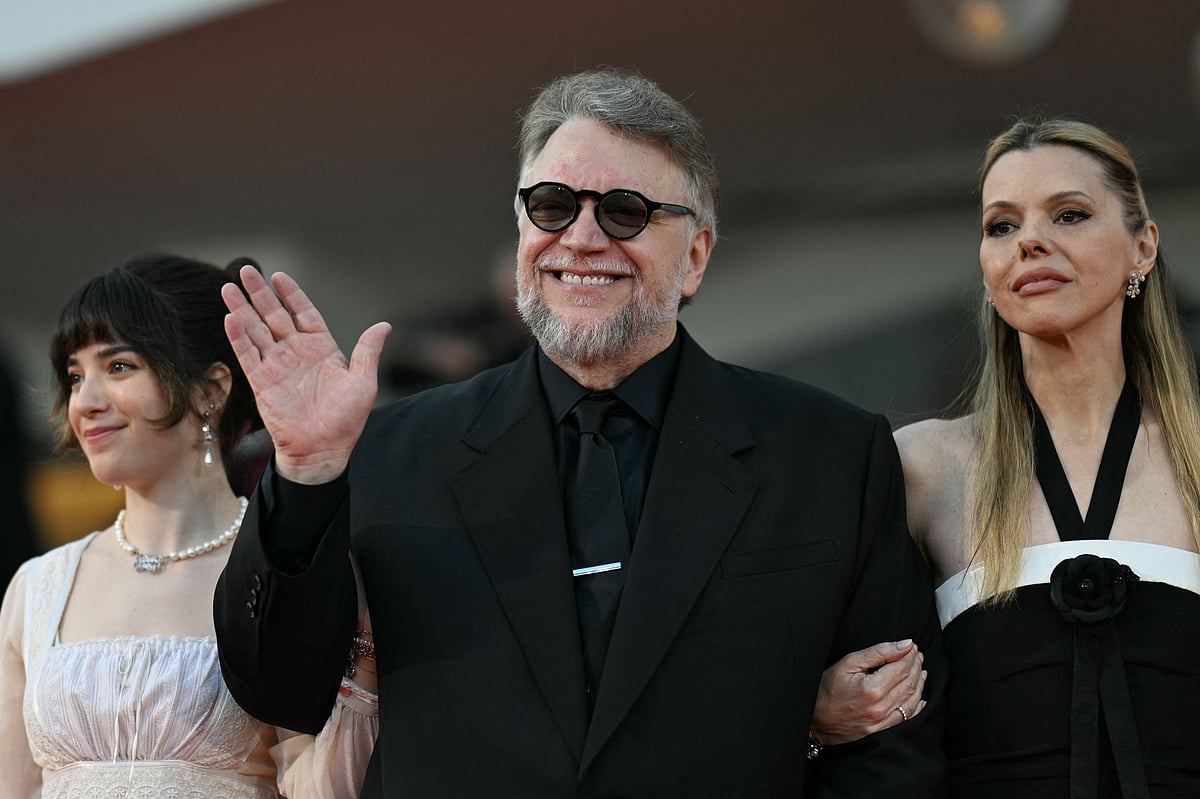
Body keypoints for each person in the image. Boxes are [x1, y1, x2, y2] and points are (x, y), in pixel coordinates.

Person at [213, 68, 946, 797]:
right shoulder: (391, 453)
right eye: (554, 205)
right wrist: (306, 472)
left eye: (626, 211)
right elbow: (279, 689)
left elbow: (892, 753)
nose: (583, 238)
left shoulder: (829, 455)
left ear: (695, 255)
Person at [819, 117, 1200, 796]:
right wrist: (816, 713)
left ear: (1142, 247)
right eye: (1001, 225)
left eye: (1070, 214)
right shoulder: (922, 467)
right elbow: (773, 645)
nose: (1029, 240)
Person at [0, 254, 378, 798]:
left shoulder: (284, 568)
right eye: (76, 376)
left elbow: (320, 788)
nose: (86, 401)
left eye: (119, 367)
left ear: (211, 390)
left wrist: (367, 658)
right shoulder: (37, 588)